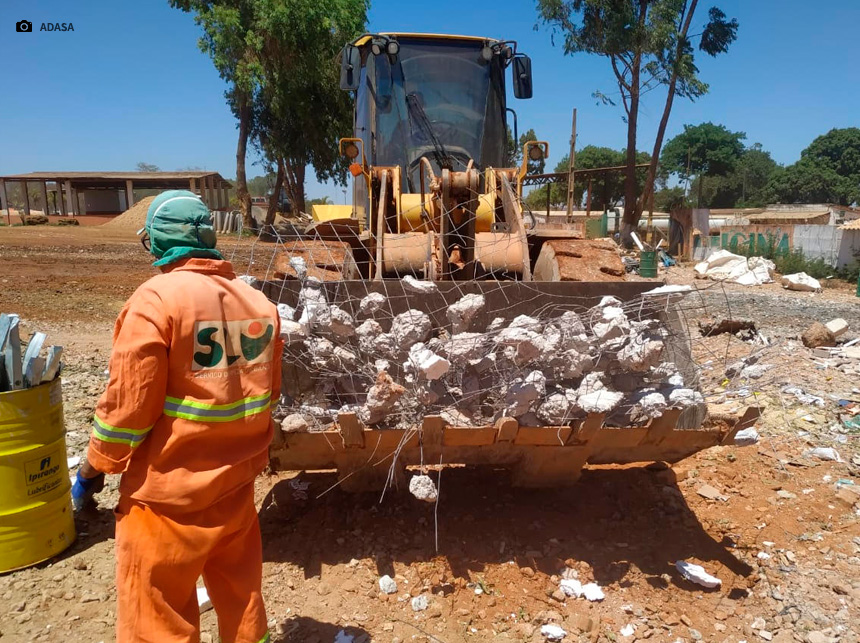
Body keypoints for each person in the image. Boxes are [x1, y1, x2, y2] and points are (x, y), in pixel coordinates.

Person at [71, 190, 283, 643]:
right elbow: (268, 395)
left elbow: (127, 409)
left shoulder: (156, 302)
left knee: (157, 618)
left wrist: (95, 466)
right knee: (242, 598)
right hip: (236, 489)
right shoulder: (259, 305)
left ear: (157, 244)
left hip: (167, 498)